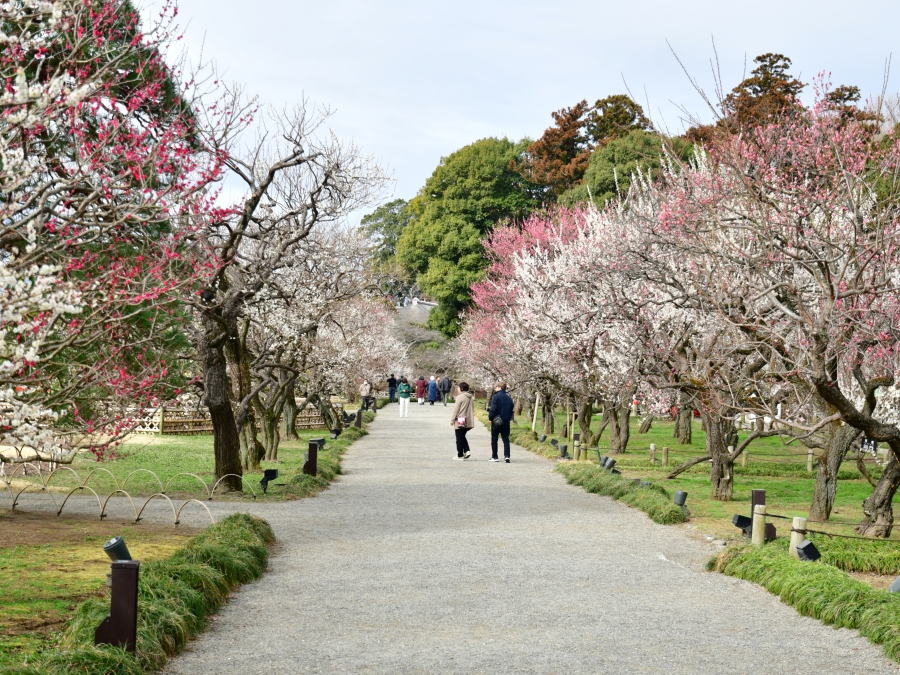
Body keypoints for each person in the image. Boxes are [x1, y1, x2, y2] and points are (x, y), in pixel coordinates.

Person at [488, 381, 514, 463]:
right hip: (506, 421)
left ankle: (495, 456)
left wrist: (490, 418)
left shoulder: (496, 397)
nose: (495, 388)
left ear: (500, 388)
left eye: (496, 387)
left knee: (494, 439)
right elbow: (511, 410)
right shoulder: (509, 398)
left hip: (497, 421)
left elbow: (493, 409)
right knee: (506, 439)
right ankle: (507, 456)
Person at [450, 382, 475, 460]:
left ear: (462, 389)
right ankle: (467, 451)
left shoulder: (460, 397)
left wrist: (452, 420)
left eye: (458, 387)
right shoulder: (470, 397)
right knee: (462, 436)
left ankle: (460, 455)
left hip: (461, 419)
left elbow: (456, 410)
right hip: (469, 420)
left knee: (459, 438)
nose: (457, 389)